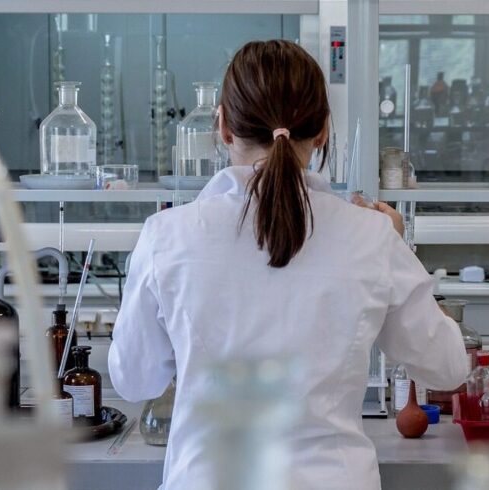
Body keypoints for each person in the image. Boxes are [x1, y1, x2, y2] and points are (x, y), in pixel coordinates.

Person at [108, 40, 469, 490]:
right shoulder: (371, 236)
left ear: (222, 127)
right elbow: (448, 368)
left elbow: (134, 381)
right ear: (321, 131)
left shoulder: (167, 236)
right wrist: (398, 247)